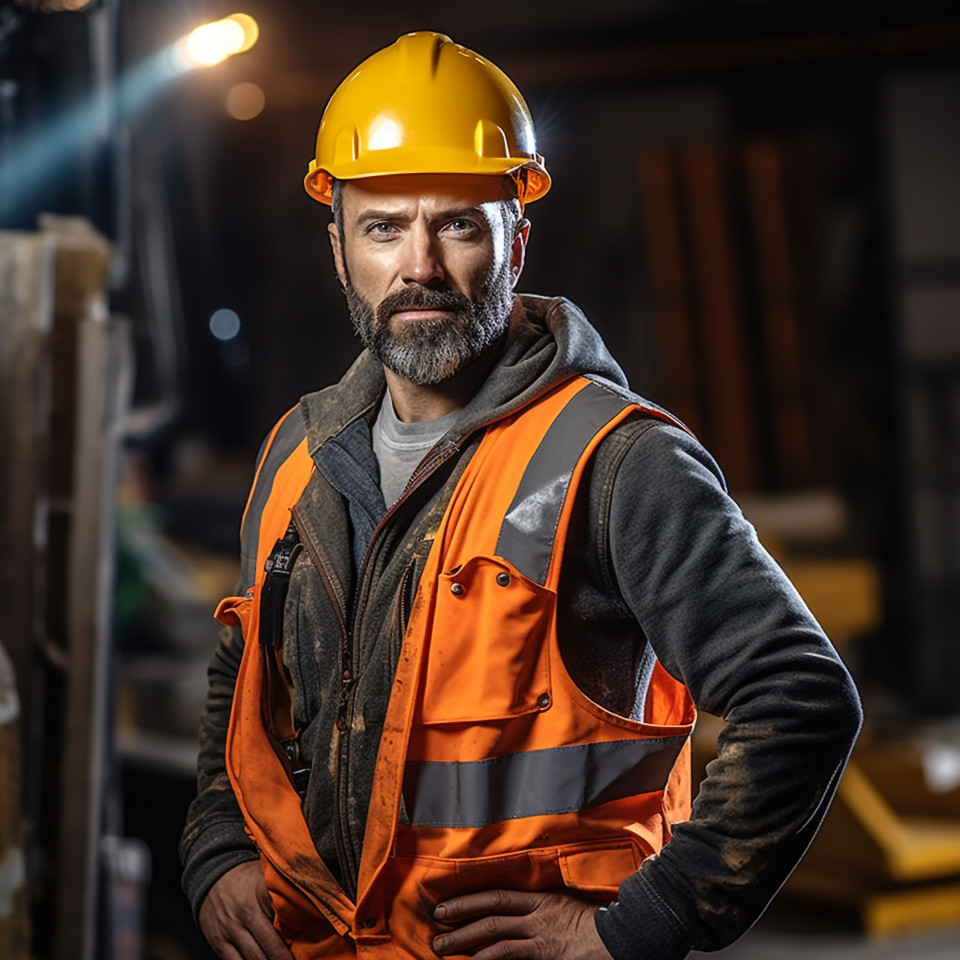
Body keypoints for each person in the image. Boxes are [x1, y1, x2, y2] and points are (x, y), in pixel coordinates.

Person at [180, 30, 862, 960]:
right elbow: (244, 671)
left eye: (458, 223)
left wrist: (641, 927)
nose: (419, 264)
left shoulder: (618, 461)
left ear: (517, 239)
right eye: (383, 226)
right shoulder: (298, 450)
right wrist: (217, 849)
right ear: (339, 248)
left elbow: (801, 697)